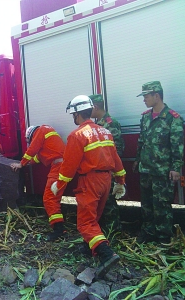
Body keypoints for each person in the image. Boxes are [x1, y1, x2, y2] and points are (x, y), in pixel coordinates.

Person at [51, 95, 126, 277]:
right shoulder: (105, 131)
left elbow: (69, 166)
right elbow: (115, 158)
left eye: (73, 115)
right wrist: (120, 181)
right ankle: (88, 246)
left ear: (77, 115)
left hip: (90, 181)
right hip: (106, 180)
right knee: (95, 216)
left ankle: (107, 254)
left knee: (85, 222)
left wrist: (59, 184)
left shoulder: (76, 135)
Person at [133, 81, 184, 244]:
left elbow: (177, 145)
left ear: (157, 95)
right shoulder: (145, 117)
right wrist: (137, 159)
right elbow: (141, 141)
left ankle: (163, 237)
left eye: (146, 96)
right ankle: (148, 232)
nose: (144, 100)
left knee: (162, 205)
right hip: (146, 169)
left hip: (162, 171)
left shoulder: (172, 118)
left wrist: (176, 168)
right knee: (146, 204)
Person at [10, 125, 66, 241]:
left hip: (59, 166)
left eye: (29, 141)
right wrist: (26, 164)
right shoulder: (46, 138)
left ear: (31, 136)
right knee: (52, 198)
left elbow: (32, 150)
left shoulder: (41, 131)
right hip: (61, 166)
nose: (30, 143)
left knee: (49, 198)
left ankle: (59, 229)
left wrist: (21, 164)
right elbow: (37, 158)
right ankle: (59, 227)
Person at [90, 94, 125, 233]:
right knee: (103, 200)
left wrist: (111, 169)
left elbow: (118, 148)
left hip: (109, 169)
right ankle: (106, 228)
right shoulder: (98, 124)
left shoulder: (110, 123)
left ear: (95, 107)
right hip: (101, 170)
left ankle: (114, 230)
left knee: (109, 201)